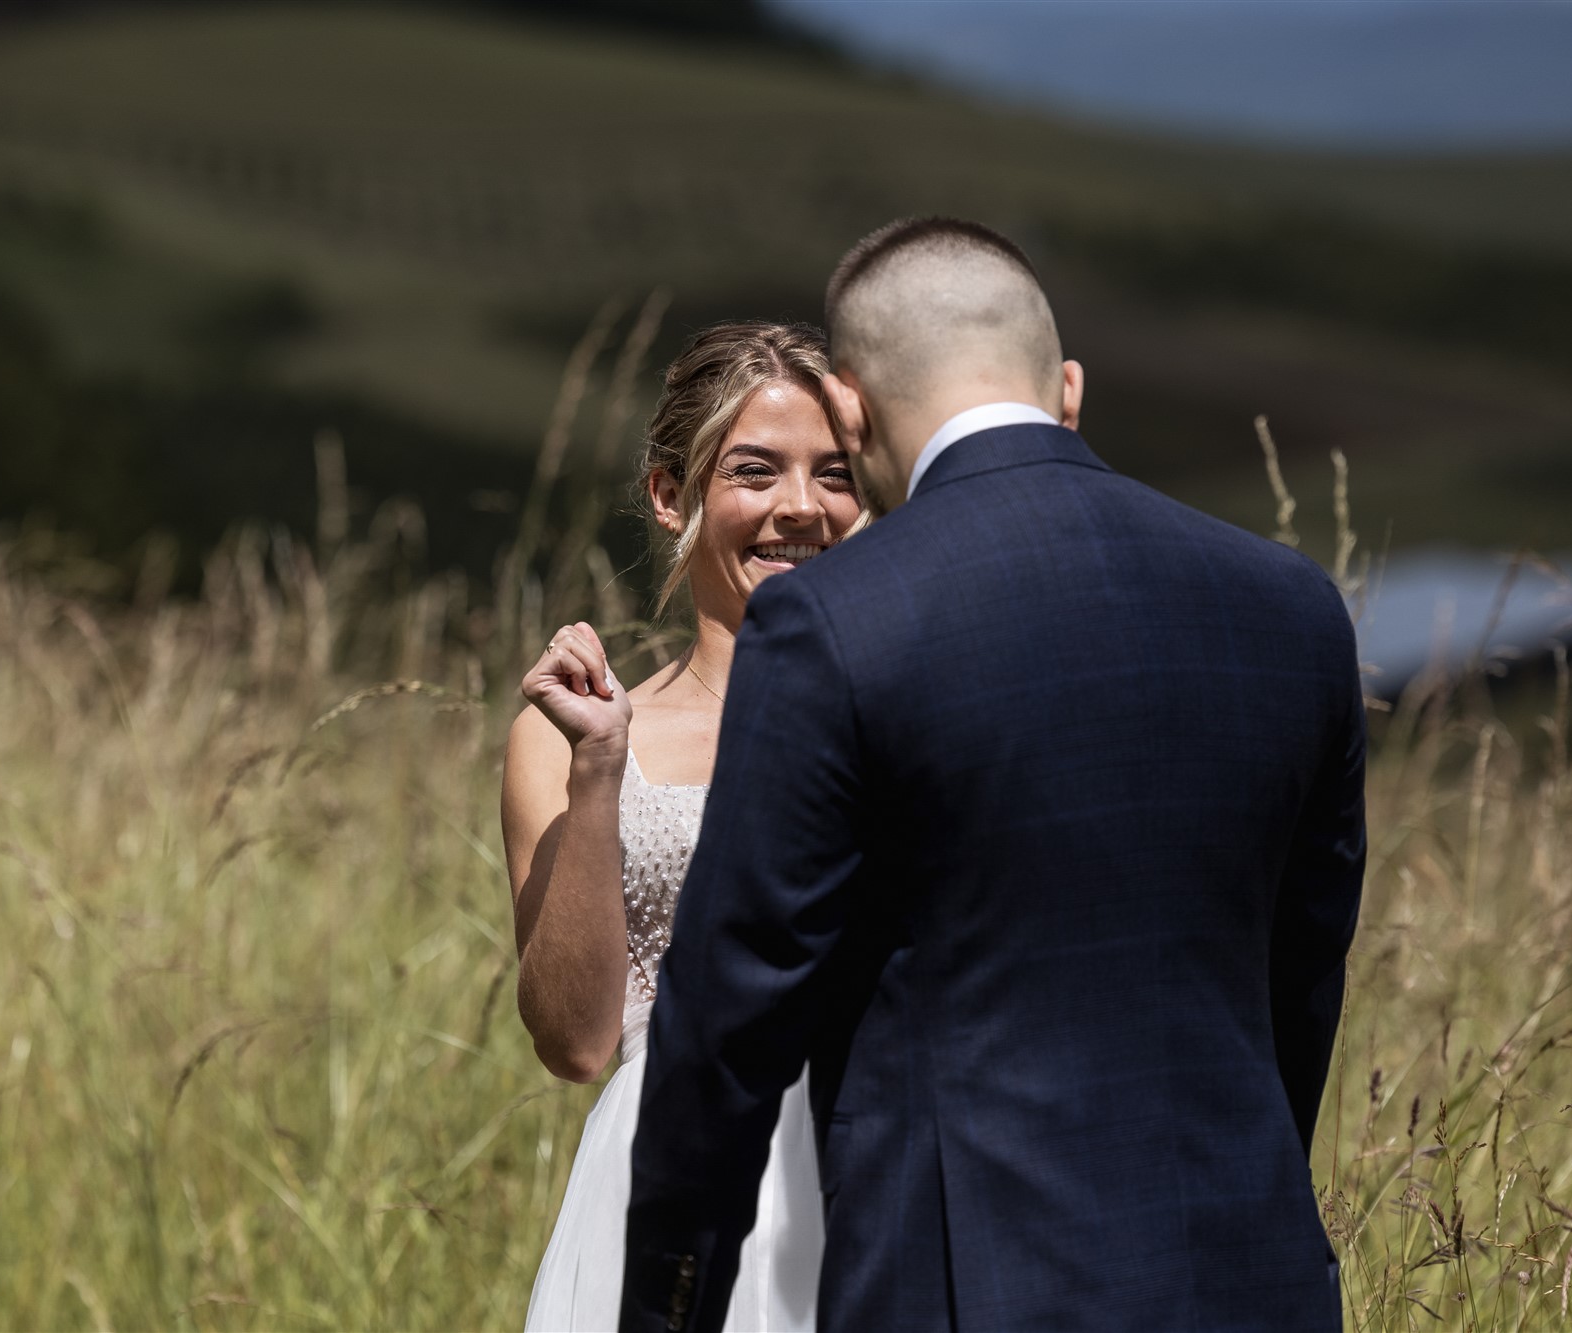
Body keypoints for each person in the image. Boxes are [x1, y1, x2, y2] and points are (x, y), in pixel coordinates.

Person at [622, 218, 1367, 1332]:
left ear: (852, 407)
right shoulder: (1289, 603)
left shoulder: (831, 621)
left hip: (967, 1290)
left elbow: (730, 1020)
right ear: (1065, 388)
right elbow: (1299, 978)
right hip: (1245, 1275)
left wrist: (668, 1310)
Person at [503, 321, 867, 1332]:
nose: (801, 506)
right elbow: (574, 1041)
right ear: (672, 494)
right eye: (756, 470)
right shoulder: (571, 733)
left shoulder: (915, 716)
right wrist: (599, 771)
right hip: (659, 1173)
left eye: (834, 474)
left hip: (868, 1170)